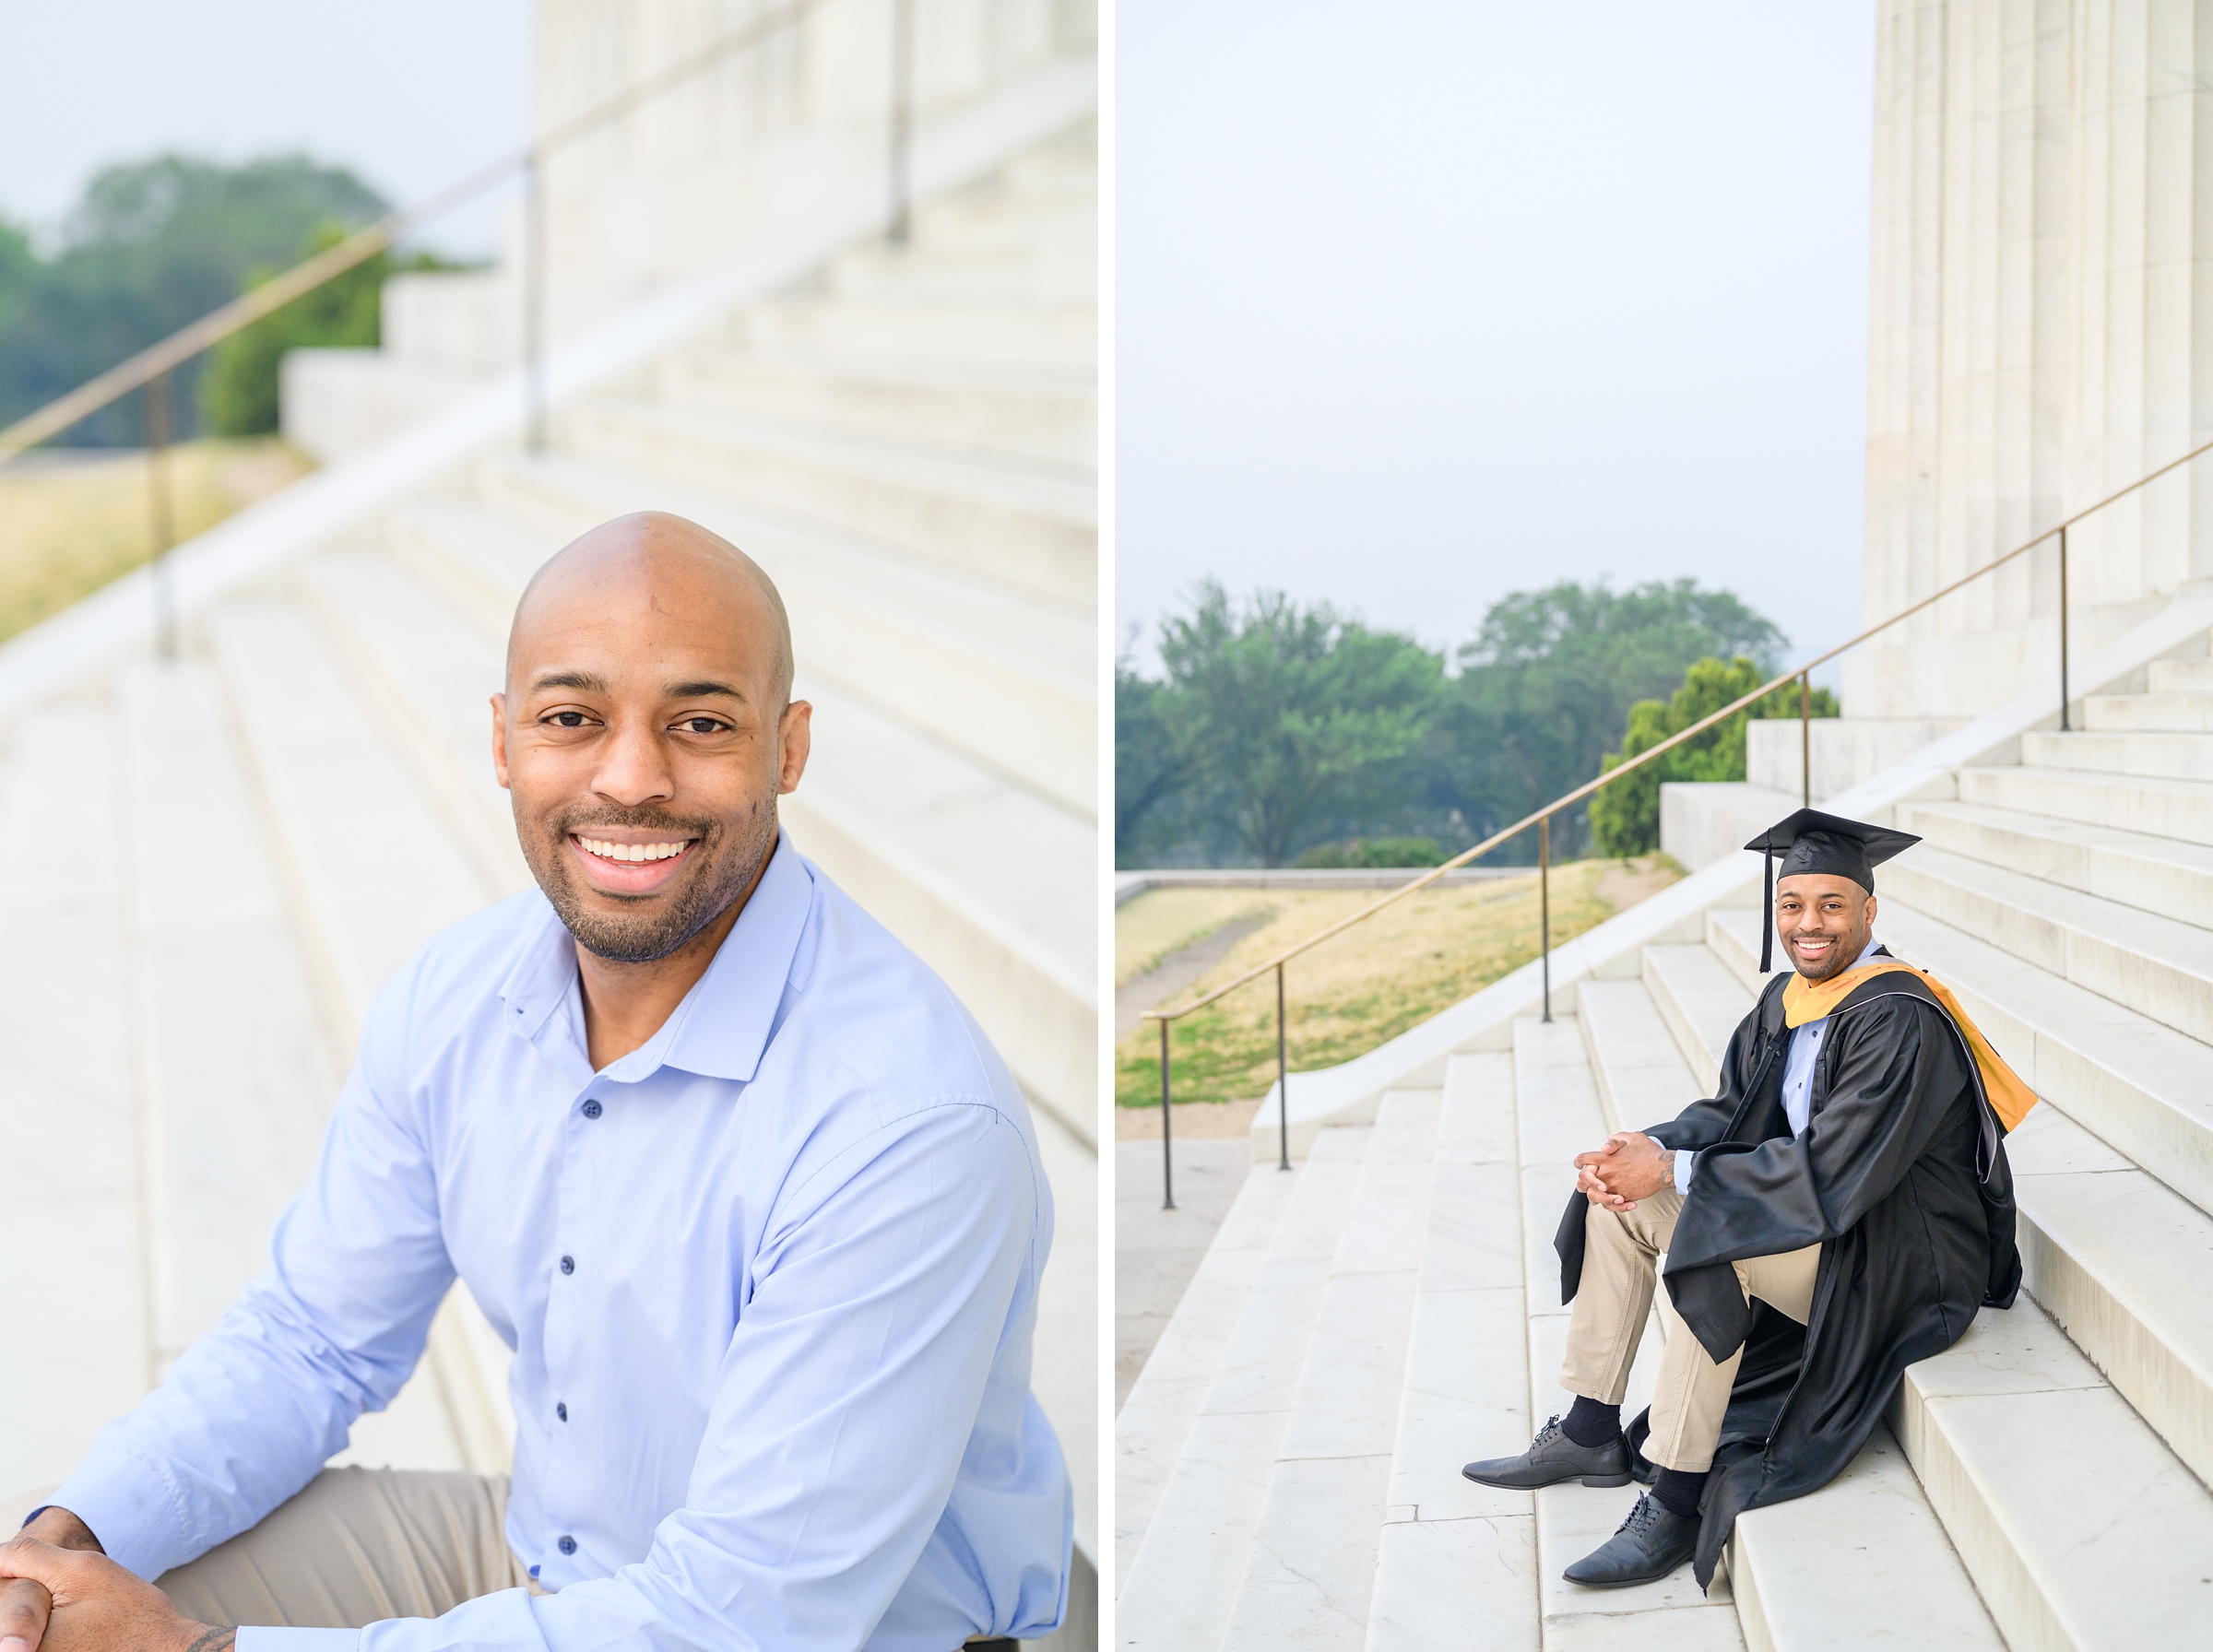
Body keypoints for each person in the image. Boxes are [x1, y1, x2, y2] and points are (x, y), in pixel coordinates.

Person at [0, 513, 1071, 1651]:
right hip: (556, 1561)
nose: (632, 778)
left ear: (787, 749)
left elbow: (746, 1620)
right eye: (574, 717)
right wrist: (70, 1537)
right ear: (507, 741)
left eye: (700, 723)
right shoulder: (457, 997)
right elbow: (311, 1336)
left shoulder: (905, 1118)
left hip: (837, 1631)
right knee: (52, 1611)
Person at [1462, 808, 2030, 1589]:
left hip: (1901, 1260)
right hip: (1830, 1229)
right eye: (1792, 905)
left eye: (1832, 905)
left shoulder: (1897, 1018)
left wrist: (1675, 1173)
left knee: (1714, 1240)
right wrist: (1643, 1152)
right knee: (1617, 1203)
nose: (1810, 924)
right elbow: (1732, 1115)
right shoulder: (1789, 1000)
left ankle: (1676, 1494)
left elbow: (1835, 1172)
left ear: (1870, 910)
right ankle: (1590, 1430)